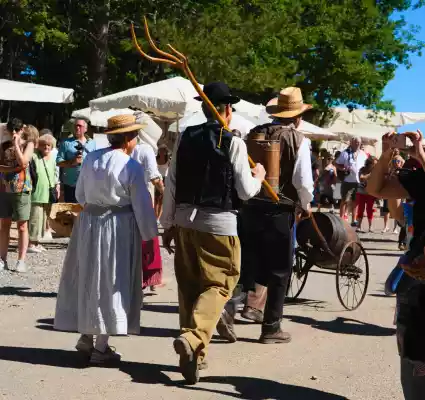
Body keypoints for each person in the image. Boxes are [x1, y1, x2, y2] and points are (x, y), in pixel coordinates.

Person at [160, 81, 265, 384]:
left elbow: (172, 184)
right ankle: (193, 337)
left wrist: (168, 224)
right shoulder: (233, 142)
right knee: (219, 285)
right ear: (227, 110)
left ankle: (194, 354)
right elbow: (245, 192)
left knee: (190, 287)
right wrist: (258, 175)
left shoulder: (185, 138)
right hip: (218, 223)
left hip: (185, 220)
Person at [54, 115, 158, 365]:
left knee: (89, 277)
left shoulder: (91, 158)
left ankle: (87, 336)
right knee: (112, 280)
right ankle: (100, 347)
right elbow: (142, 204)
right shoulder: (130, 166)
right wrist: (150, 235)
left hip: (89, 224)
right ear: (128, 139)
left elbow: (79, 194)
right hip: (117, 227)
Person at [216, 87, 314, 345]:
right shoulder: (299, 140)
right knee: (280, 270)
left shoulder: (254, 133)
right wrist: (306, 204)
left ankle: (229, 308)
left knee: (247, 263)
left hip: (250, 207)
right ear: (297, 116)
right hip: (280, 210)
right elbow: (302, 181)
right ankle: (271, 327)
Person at [367, 130, 425, 400]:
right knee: (414, 352)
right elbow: (375, 189)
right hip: (418, 277)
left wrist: (420, 154)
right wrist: (387, 153)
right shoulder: (419, 179)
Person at [0, 120, 37, 273]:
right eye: (11, 130)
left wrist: (16, 145)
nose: (13, 132)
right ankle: (2, 260)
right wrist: (14, 168)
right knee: (4, 224)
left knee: (22, 226)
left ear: (22, 129)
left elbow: (23, 161)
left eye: (16, 129)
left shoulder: (29, 144)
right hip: (4, 188)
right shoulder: (3, 146)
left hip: (22, 189)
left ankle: (21, 260)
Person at [131, 134, 165, 292]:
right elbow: (153, 176)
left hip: (124, 201)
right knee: (149, 240)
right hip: (143, 199)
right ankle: (152, 279)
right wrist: (164, 191)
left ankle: (132, 277)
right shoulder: (146, 149)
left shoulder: (120, 150)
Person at [28, 134, 60, 253]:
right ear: (39, 146)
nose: (46, 147)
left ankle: (36, 242)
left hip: (47, 193)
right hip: (36, 193)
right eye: (43, 145)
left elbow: (53, 174)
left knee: (42, 219)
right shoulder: (35, 156)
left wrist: (56, 186)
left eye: (48, 145)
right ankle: (30, 243)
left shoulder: (52, 158)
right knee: (34, 219)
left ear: (52, 146)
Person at [56, 119, 96, 203]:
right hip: (71, 184)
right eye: (76, 126)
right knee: (71, 211)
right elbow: (58, 162)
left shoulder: (92, 143)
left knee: (85, 210)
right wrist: (72, 162)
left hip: (87, 184)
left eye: (80, 126)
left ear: (85, 129)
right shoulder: (66, 143)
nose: (77, 128)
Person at [336, 137, 367, 225]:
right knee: (344, 200)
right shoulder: (345, 153)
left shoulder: (363, 154)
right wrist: (342, 168)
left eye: (359, 142)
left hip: (358, 181)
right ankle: (341, 219)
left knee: (355, 201)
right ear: (351, 142)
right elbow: (336, 163)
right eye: (356, 142)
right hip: (347, 180)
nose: (357, 144)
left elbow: (366, 166)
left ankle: (353, 220)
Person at [355, 156, 378, 232]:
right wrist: (370, 175)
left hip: (370, 193)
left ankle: (370, 226)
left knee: (369, 210)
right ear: (369, 163)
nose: (375, 165)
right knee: (360, 209)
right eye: (374, 163)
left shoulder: (376, 171)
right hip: (361, 192)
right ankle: (358, 226)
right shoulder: (363, 169)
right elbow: (361, 178)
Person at [155, 145, 170, 220]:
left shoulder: (168, 160)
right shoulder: (155, 159)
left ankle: (158, 218)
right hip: (156, 179)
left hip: (164, 179)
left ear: (165, 152)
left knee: (161, 200)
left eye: (163, 150)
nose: (161, 151)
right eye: (160, 150)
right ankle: (155, 216)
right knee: (155, 199)